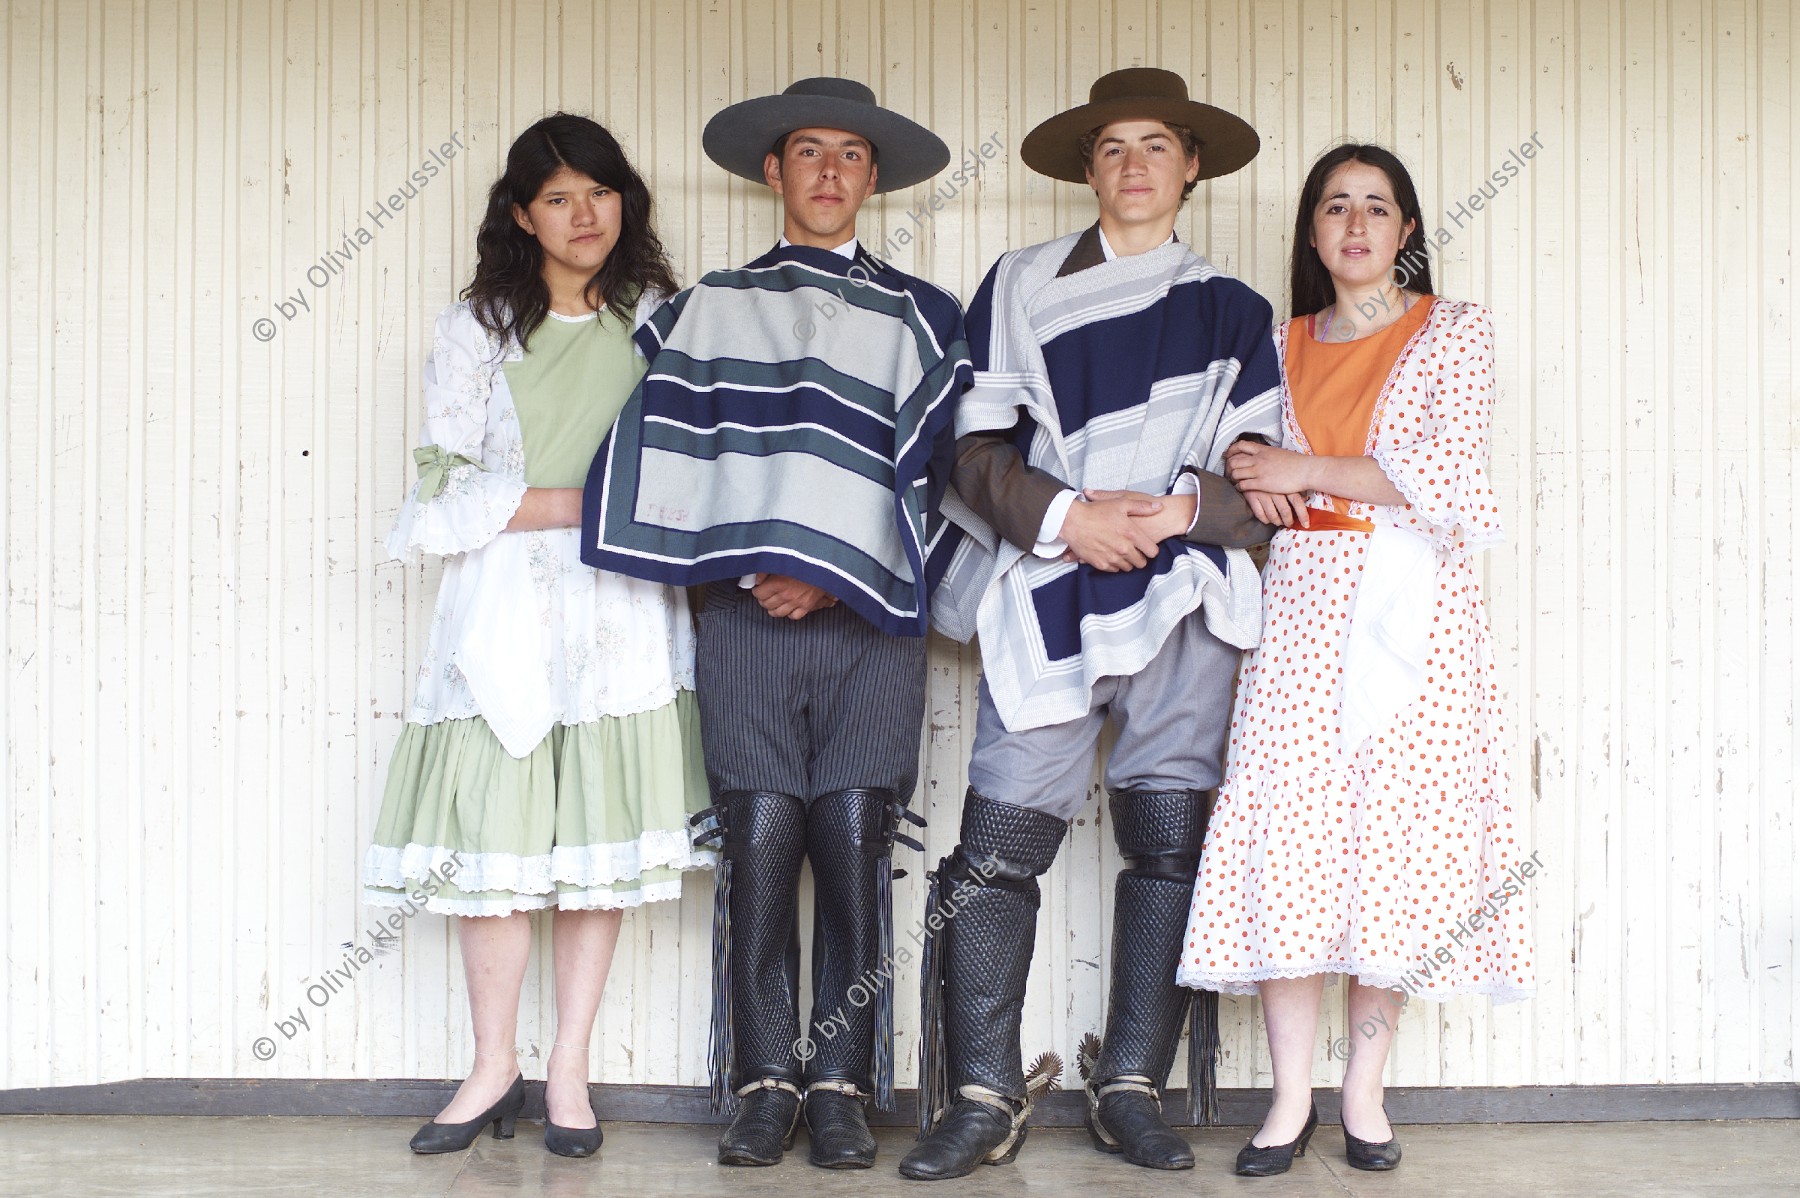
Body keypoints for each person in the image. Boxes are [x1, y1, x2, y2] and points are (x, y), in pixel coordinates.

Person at [901, 68, 1281, 1182]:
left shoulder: (1233, 307)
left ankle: (1131, 1088)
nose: (1133, 165)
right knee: (999, 844)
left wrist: (1173, 512)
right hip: (1053, 588)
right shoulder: (1019, 285)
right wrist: (1070, 515)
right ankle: (980, 1097)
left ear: (1192, 164)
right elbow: (968, 450)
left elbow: (1259, 481)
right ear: (1087, 165)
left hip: (1184, 601)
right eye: (1112, 147)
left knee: (1167, 838)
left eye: (1156, 145)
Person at [581, 78, 969, 1170]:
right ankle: (761, 1082)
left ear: (873, 177)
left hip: (873, 618)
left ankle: (841, 1085)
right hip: (745, 614)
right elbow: (675, 456)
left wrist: (838, 574)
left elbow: (941, 483)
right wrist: (761, 560)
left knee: (850, 840)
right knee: (758, 846)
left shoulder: (921, 316)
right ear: (773, 172)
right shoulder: (710, 307)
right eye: (809, 152)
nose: (831, 172)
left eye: (852, 155)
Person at [1176, 143, 1534, 1177]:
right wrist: (1261, 474)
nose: (1357, 224)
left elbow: (1449, 470)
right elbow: (1235, 463)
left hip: (1416, 612)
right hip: (1298, 603)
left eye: (1378, 207)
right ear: (1314, 231)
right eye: (1336, 207)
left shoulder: (1454, 330)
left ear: (1407, 230)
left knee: (1398, 843)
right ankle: (1290, 1101)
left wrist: (1306, 468)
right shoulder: (1276, 342)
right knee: (1292, 832)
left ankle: (1363, 1096)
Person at [362, 113, 712, 1159]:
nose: (583, 214)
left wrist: (607, 517)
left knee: (595, 849)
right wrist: (582, 506)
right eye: (558, 198)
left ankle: (568, 1069)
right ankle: (491, 1063)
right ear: (521, 216)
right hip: (505, 609)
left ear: (625, 204)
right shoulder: (477, 328)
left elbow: (693, 464)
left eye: (600, 193)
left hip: (624, 612)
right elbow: (443, 481)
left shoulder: (659, 320)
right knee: (493, 850)